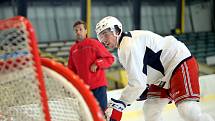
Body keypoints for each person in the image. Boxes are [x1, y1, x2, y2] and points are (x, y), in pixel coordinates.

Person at [95, 16, 214, 121]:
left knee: (187, 110)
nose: (103, 40)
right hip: (161, 76)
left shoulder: (127, 46)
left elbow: (137, 83)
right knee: (150, 110)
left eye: (105, 34)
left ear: (117, 30)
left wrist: (120, 103)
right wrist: (140, 90)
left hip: (177, 62)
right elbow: (140, 77)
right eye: (100, 37)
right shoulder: (124, 47)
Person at [68, 20, 114, 112]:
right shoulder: (73, 49)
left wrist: (97, 63)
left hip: (98, 86)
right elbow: (71, 69)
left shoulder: (94, 43)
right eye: (76, 30)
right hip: (84, 88)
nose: (78, 32)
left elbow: (109, 58)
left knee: (101, 112)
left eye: (80, 29)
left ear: (86, 31)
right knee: (88, 113)